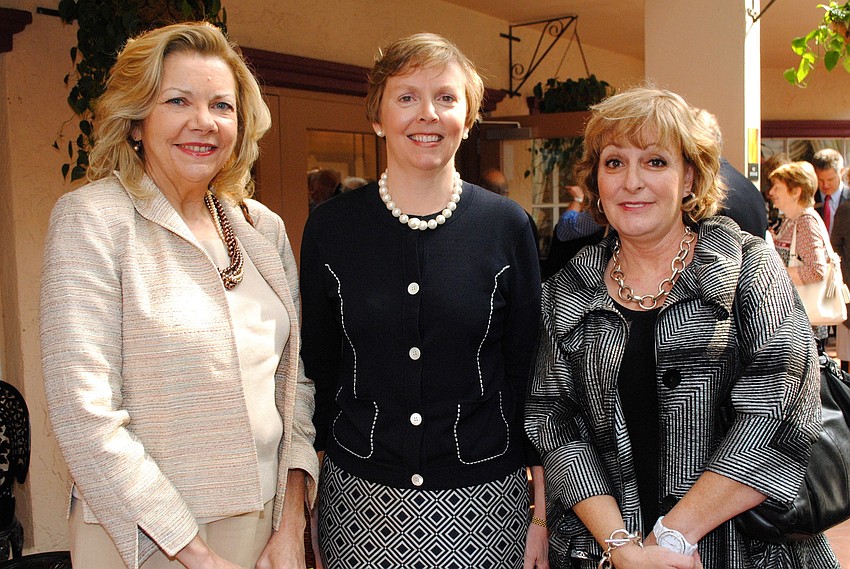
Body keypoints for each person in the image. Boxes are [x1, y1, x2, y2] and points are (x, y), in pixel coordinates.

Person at [40, 22, 319, 569]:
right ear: (137, 120)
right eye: (178, 101)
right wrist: (193, 553)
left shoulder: (261, 228)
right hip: (144, 537)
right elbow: (85, 415)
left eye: (222, 105)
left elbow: (297, 386)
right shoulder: (92, 221)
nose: (204, 122)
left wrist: (291, 523)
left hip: (266, 526)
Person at [525, 86, 838, 569]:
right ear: (596, 179)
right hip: (605, 552)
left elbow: (778, 411)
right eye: (614, 163)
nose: (632, 182)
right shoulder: (567, 290)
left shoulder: (745, 267)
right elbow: (554, 422)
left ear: (689, 176)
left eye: (655, 162)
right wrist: (623, 548)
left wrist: (671, 537)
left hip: (746, 551)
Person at [300, 33, 548, 568]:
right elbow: (316, 371)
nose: (427, 114)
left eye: (446, 97)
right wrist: (306, 506)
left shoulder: (507, 228)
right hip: (360, 500)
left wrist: (540, 517)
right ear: (378, 116)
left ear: (467, 115)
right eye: (406, 97)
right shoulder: (331, 229)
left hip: (487, 500)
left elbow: (528, 375)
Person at [769, 161, 831, 353]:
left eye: (777, 187)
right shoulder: (792, 220)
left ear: (796, 191)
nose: (771, 192)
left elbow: (816, 270)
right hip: (796, 323)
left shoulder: (805, 222)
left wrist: (776, 272)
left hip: (804, 329)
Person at [812, 148, 850, 235]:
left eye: (830, 179)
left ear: (842, 172)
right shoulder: (809, 199)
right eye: (820, 180)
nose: (825, 185)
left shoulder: (849, 198)